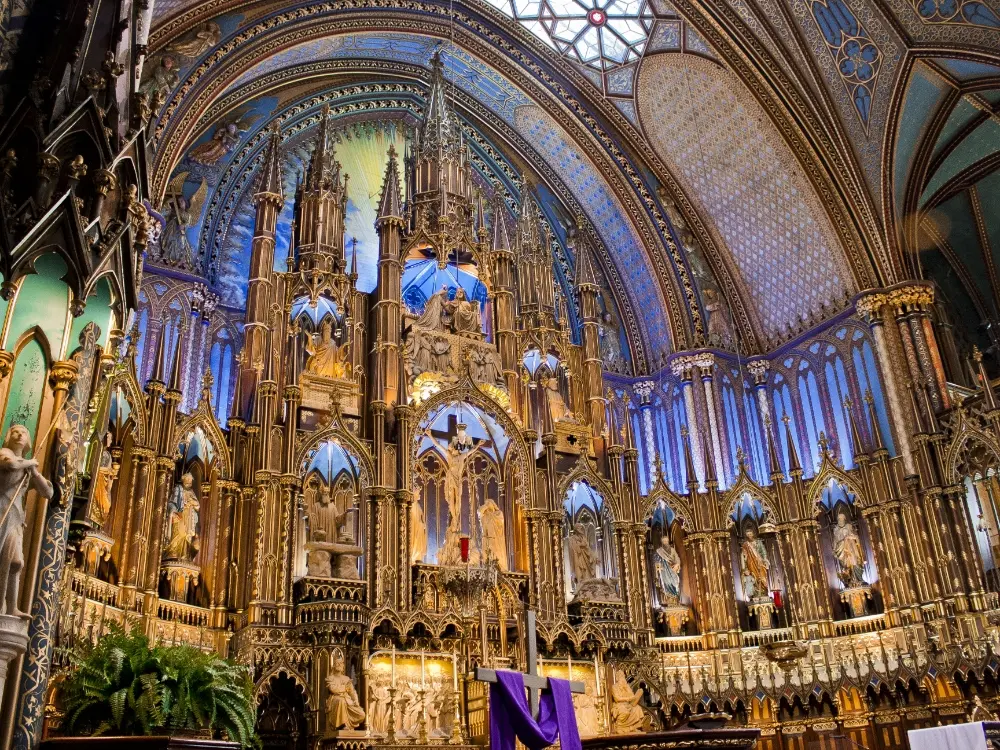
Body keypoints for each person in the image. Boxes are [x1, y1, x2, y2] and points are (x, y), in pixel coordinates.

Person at [0, 425, 53, 616]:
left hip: (15, 519)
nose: (20, 434)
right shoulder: (5, 453)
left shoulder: (28, 468)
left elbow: (48, 492)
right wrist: (29, 462)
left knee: (16, 562)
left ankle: (12, 607)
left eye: (24, 432)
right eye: (15, 431)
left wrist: (35, 472)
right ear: (9, 436)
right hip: (1, 512)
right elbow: (11, 465)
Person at [326, 649, 365, 730]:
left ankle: (347, 725)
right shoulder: (330, 678)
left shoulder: (346, 678)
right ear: (334, 665)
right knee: (341, 701)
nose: (340, 665)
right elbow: (333, 689)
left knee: (361, 714)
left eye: (341, 663)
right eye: (337, 663)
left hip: (348, 700)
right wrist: (344, 688)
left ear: (343, 666)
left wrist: (356, 701)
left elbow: (352, 692)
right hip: (335, 699)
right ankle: (342, 725)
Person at [164, 473, 200, 561]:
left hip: (188, 519)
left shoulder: (191, 492)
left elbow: (197, 506)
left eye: (190, 480)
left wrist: (193, 502)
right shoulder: (178, 489)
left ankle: (184, 554)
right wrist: (173, 512)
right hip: (179, 516)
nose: (189, 481)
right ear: (183, 480)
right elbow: (171, 503)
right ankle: (173, 552)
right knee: (177, 534)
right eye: (187, 479)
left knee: (186, 536)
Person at [833, 512, 866, 587]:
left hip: (852, 549)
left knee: (856, 563)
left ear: (844, 520)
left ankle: (859, 579)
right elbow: (835, 541)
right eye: (839, 519)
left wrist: (851, 537)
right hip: (842, 551)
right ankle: (849, 580)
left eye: (841, 519)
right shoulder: (836, 530)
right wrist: (835, 550)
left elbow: (856, 537)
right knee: (845, 566)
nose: (840, 521)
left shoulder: (849, 527)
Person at [740, 528, 770, 600]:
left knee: (763, 576)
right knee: (754, 577)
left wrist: (765, 559)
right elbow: (744, 556)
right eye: (748, 535)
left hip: (760, 562)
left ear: (753, 534)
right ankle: (756, 593)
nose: (749, 536)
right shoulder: (745, 544)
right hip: (751, 563)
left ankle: (764, 591)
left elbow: (763, 551)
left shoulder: (759, 542)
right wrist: (745, 566)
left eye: (750, 534)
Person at [478, 498, 507, 571]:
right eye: (486, 503)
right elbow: (479, 512)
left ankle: (499, 568)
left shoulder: (498, 513)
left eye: (488, 503)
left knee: (496, 555)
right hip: (487, 539)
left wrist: (491, 514)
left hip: (496, 539)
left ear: (493, 504)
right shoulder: (484, 517)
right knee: (487, 555)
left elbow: (499, 522)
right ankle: (487, 568)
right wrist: (485, 506)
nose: (487, 505)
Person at [654, 534, 681, 604]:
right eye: (664, 541)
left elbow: (677, 558)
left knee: (675, 582)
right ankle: (667, 598)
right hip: (664, 571)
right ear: (662, 542)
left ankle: (675, 597)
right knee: (666, 583)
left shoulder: (672, 550)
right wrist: (658, 565)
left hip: (673, 569)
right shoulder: (659, 551)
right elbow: (656, 560)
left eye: (666, 541)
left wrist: (677, 564)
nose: (665, 542)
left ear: (668, 542)